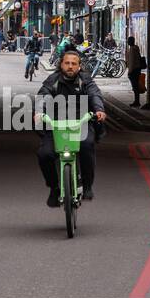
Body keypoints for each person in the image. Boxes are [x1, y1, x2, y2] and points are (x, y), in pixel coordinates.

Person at [36, 46, 107, 205]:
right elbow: (43, 95)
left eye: (74, 63)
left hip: (80, 123)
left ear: (79, 66)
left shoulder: (85, 80)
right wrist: (40, 112)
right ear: (61, 65)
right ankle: (54, 188)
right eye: (67, 63)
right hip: (57, 125)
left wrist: (99, 110)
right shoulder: (52, 80)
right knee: (44, 154)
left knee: (87, 145)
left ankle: (87, 185)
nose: (70, 66)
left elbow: (95, 94)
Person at [125, 35, 144, 107]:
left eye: (128, 41)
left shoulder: (132, 49)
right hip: (137, 69)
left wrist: (129, 71)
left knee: (135, 87)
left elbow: (132, 62)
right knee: (136, 86)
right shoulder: (136, 48)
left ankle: (136, 101)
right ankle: (137, 101)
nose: (127, 42)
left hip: (134, 70)